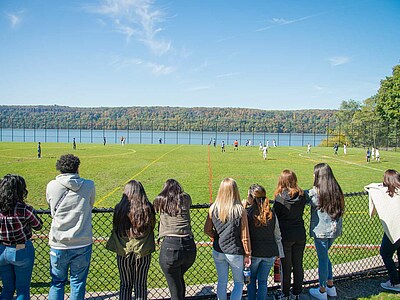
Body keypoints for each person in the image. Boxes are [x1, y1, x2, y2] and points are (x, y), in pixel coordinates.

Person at [46, 154, 96, 300]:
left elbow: (51, 208)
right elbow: (90, 204)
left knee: (57, 282)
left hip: (58, 242)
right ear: (77, 168)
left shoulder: (52, 185)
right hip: (82, 241)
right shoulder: (88, 185)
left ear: (59, 168)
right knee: (78, 282)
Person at [106, 180, 156, 300]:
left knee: (125, 284)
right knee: (140, 285)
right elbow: (152, 226)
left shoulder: (119, 208)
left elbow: (116, 227)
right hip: (143, 250)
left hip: (124, 251)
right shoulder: (147, 208)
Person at [204, 178, 251, 300]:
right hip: (235, 252)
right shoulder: (240, 211)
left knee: (222, 281)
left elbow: (207, 229)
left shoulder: (213, 208)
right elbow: (245, 236)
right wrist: (247, 253)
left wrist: (217, 237)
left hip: (219, 250)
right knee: (239, 283)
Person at [0, 174, 43, 299]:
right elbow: (38, 225)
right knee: (23, 289)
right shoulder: (24, 209)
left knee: (7, 288)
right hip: (21, 248)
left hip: (2, 249)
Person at [306, 163, 344, 300]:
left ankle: (322, 290)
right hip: (334, 230)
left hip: (321, 231)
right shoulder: (336, 190)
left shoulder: (315, 192)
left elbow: (305, 197)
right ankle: (330, 285)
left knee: (322, 260)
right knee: (325, 257)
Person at [154, 179, 196, 300]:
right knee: (177, 279)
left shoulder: (160, 200)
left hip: (170, 247)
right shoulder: (185, 198)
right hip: (189, 246)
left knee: (174, 285)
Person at [244, 184, 284, 300]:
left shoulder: (247, 213)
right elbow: (277, 233)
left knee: (251, 281)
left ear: (252, 197)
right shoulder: (271, 213)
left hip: (255, 253)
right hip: (270, 253)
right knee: (263, 281)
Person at [273, 170, 307, 300]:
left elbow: (275, 216)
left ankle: (285, 293)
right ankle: (297, 292)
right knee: (298, 265)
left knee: (286, 266)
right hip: (299, 234)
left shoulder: (280, 198)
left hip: (285, 236)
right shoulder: (302, 195)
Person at [365, 170, 400, 292]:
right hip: (396, 229)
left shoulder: (383, 193)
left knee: (385, 253)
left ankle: (395, 282)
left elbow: (370, 186)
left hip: (394, 228)